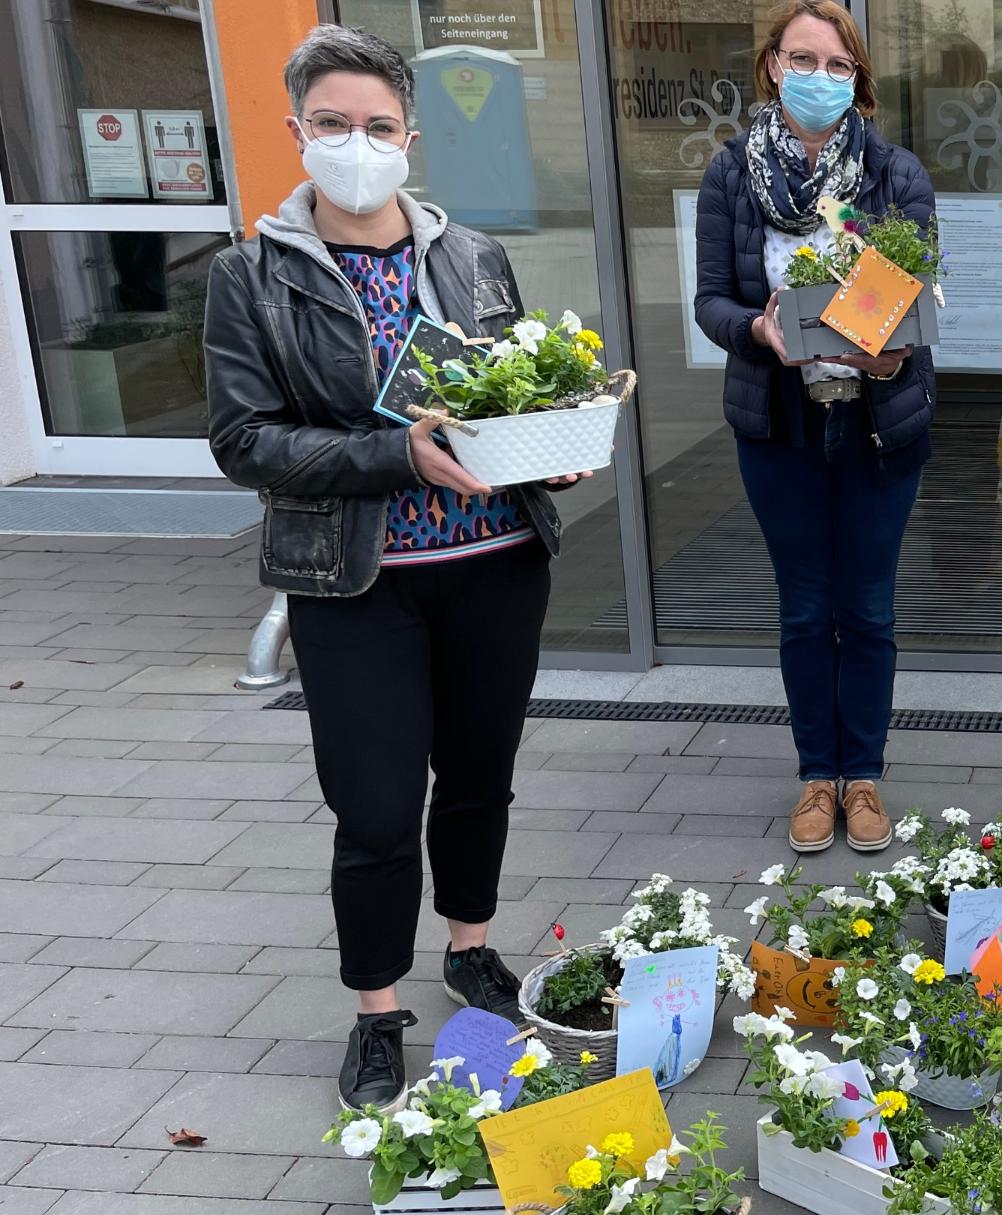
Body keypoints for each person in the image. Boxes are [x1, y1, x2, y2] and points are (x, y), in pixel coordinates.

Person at [204, 25, 592, 1110]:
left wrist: (545, 455)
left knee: (478, 777)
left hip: (496, 564)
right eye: (332, 125)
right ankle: (377, 1009)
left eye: (377, 126)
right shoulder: (252, 276)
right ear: (297, 132)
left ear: (411, 137)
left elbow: (509, 393)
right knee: (375, 808)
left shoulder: (471, 255)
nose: (356, 145)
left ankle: (470, 946)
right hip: (354, 582)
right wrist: (392, 455)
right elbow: (244, 441)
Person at [694, 0, 935, 856]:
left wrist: (891, 357)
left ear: (857, 80)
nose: (820, 79)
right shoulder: (730, 175)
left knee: (867, 607)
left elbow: (911, 297)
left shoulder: (893, 173)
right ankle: (815, 775)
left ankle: (862, 774)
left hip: (875, 423)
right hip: (781, 423)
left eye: (838, 66)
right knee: (803, 608)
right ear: (772, 66)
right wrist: (755, 332)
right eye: (804, 60)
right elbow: (710, 302)